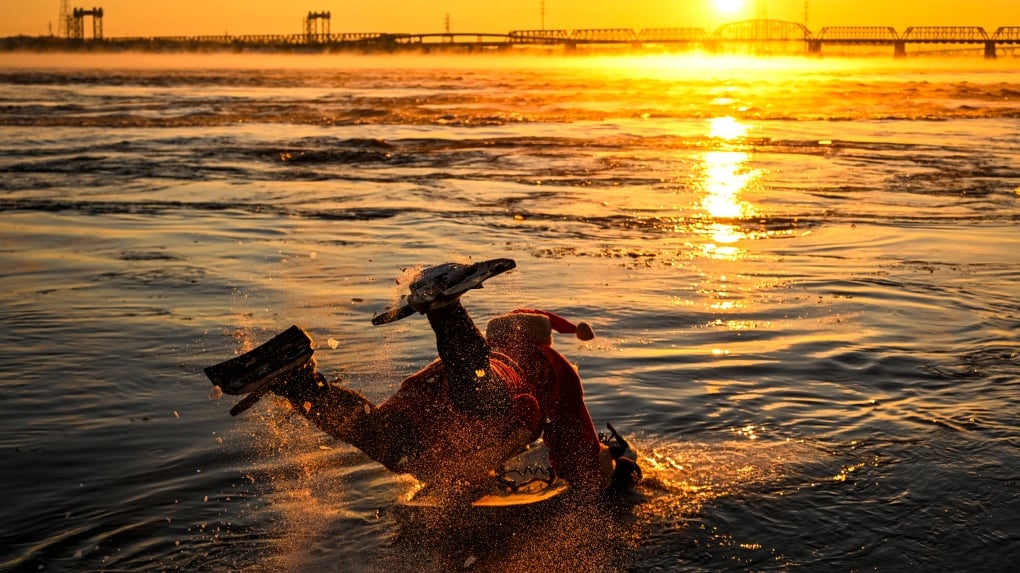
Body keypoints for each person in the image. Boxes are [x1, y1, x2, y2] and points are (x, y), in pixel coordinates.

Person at [209, 258, 640, 497]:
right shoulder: (551, 367)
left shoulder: (498, 348)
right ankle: (446, 309)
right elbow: (579, 452)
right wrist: (615, 478)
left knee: (384, 439)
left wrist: (475, 482)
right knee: (482, 397)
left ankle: (298, 380)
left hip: (430, 396)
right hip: (490, 392)